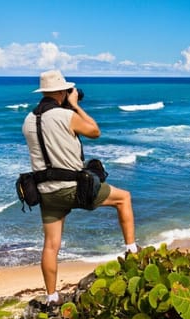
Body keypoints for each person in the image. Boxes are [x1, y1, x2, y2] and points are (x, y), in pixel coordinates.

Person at [22, 70, 138, 306]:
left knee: (51, 245)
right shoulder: (66, 115)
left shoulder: (28, 120)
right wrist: (75, 106)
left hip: (46, 192)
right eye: (66, 91)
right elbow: (95, 131)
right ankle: (132, 251)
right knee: (123, 198)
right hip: (75, 189)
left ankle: (52, 297)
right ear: (61, 92)